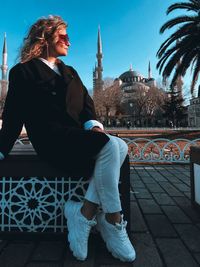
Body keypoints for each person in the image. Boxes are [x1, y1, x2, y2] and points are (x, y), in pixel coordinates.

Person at [0, 15, 136, 262]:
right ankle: (113, 220)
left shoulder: (70, 72)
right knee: (111, 146)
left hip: (77, 137)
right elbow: (13, 115)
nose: (69, 42)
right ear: (45, 37)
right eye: (63, 36)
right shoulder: (23, 72)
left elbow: (87, 105)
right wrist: (1, 148)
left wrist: (94, 126)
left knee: (120, 145)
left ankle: (84, 213)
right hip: (51, 140)